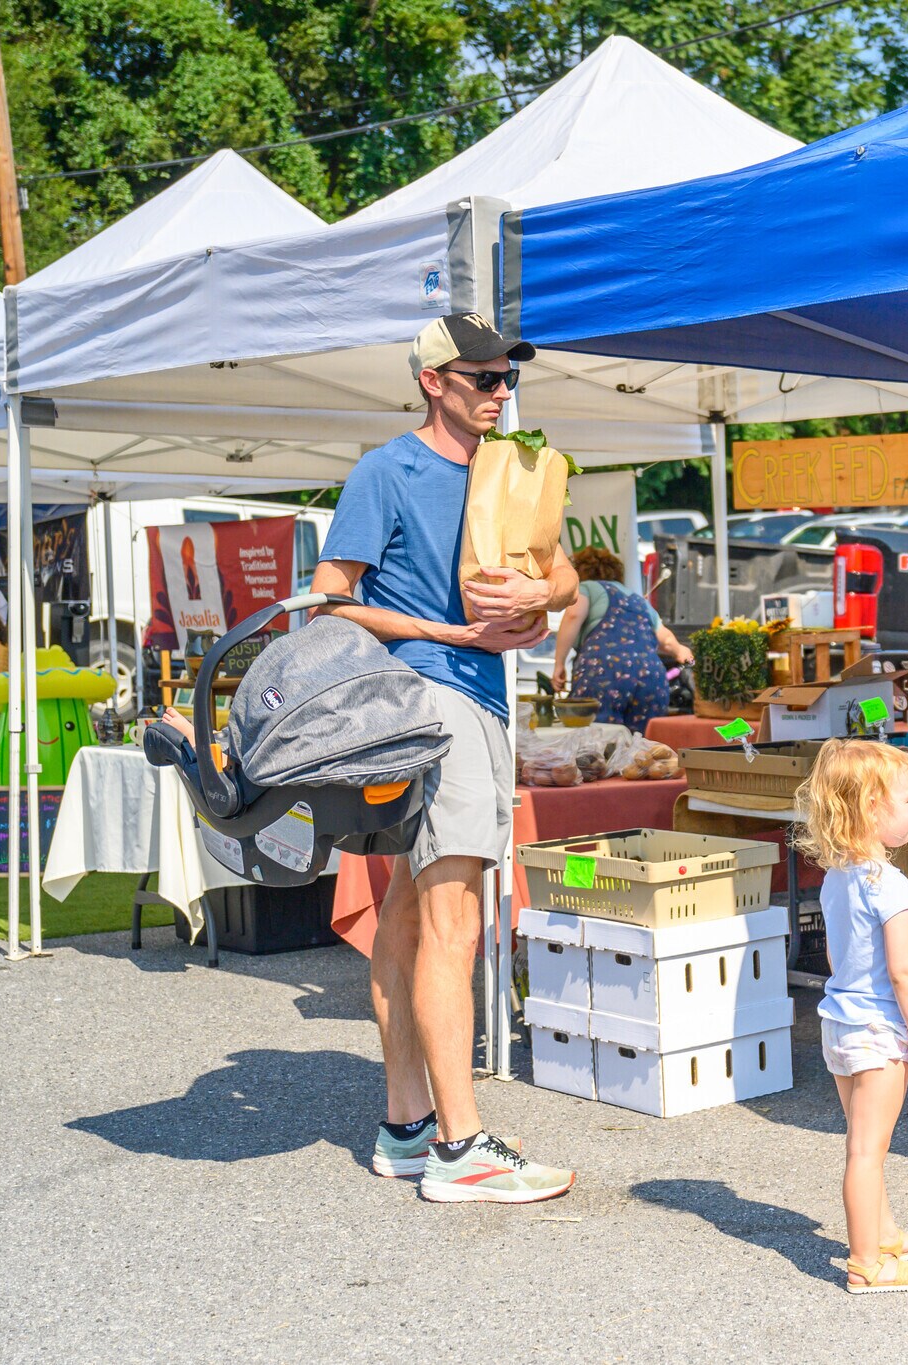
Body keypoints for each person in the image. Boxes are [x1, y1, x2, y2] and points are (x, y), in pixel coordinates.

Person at [315, 311, 579, 1203]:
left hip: (475, 697)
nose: (501, 392)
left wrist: (545, 589)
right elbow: (329, 601)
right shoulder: (387, 469)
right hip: (429, 699)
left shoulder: (514, 468)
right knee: (452, 920)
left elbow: (569, 577)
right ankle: (462, 1148)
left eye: (508, 378)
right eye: (483, 379)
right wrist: (445, 630)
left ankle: (406, 1126)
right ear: (434, 381)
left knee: (404, 914)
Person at [796, 739, 908, 1295]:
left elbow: (836, 956)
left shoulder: (837, 879)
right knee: (867, 1152)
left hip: (840, 1023)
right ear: (872, 810)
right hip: (879, 1033)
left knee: (863, 1141)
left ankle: (884, 1235)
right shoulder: (892, 886)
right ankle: (866, 1263)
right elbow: (906, 974)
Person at [550, 546, 691, 729]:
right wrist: (683, 653)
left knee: (596, 743)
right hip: (651, 677)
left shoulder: (587, 587)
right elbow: (667, 641)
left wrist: (559, 663)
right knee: (643, 749)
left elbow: (573, 615)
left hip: (604, 673)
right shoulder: (638, 600)